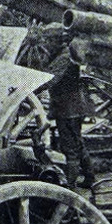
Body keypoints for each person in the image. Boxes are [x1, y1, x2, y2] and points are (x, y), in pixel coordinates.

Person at [43, 35, 96, 189]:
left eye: (50, 40)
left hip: (68, 109)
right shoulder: (64, 55)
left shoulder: (64, 58)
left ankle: (70, 185)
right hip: (72, 107)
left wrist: (32, 87)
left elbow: (52, 79)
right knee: (78, 143)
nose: (47, 44)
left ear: (58, 41)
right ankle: (89, 178)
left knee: (69, 147)